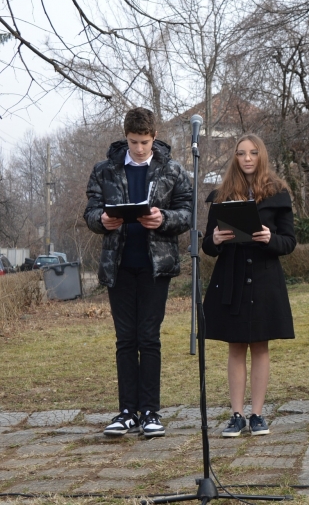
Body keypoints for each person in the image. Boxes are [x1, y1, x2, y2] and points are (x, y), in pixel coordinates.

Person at [84, 107, 192, 437]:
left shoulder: (172, 170)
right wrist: (101, 220)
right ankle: (126, 412)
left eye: (145, 142)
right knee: (125, 340)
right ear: (125, 137)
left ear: (154, 137)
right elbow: (90, 212)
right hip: (118, 267)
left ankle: (151, 412)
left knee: (149, 338)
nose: (140, 148)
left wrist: (165, 220)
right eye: (133, 142)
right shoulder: (104, 170)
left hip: (155, 268)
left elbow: (187, 212)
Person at [202, 134, 296, 438]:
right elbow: (208, 245)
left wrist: (270, 239)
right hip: (232, 278)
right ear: (235, 158)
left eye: (253, 152)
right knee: (236, 346)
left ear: (261, 155)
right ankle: (237, 414)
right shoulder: (221, 195)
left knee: (260, 346)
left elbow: (289, 242)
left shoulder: (278, 193)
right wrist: (215, 240)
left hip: (266, 278)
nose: (247, 158)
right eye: (241, 153)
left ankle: (257, 414)